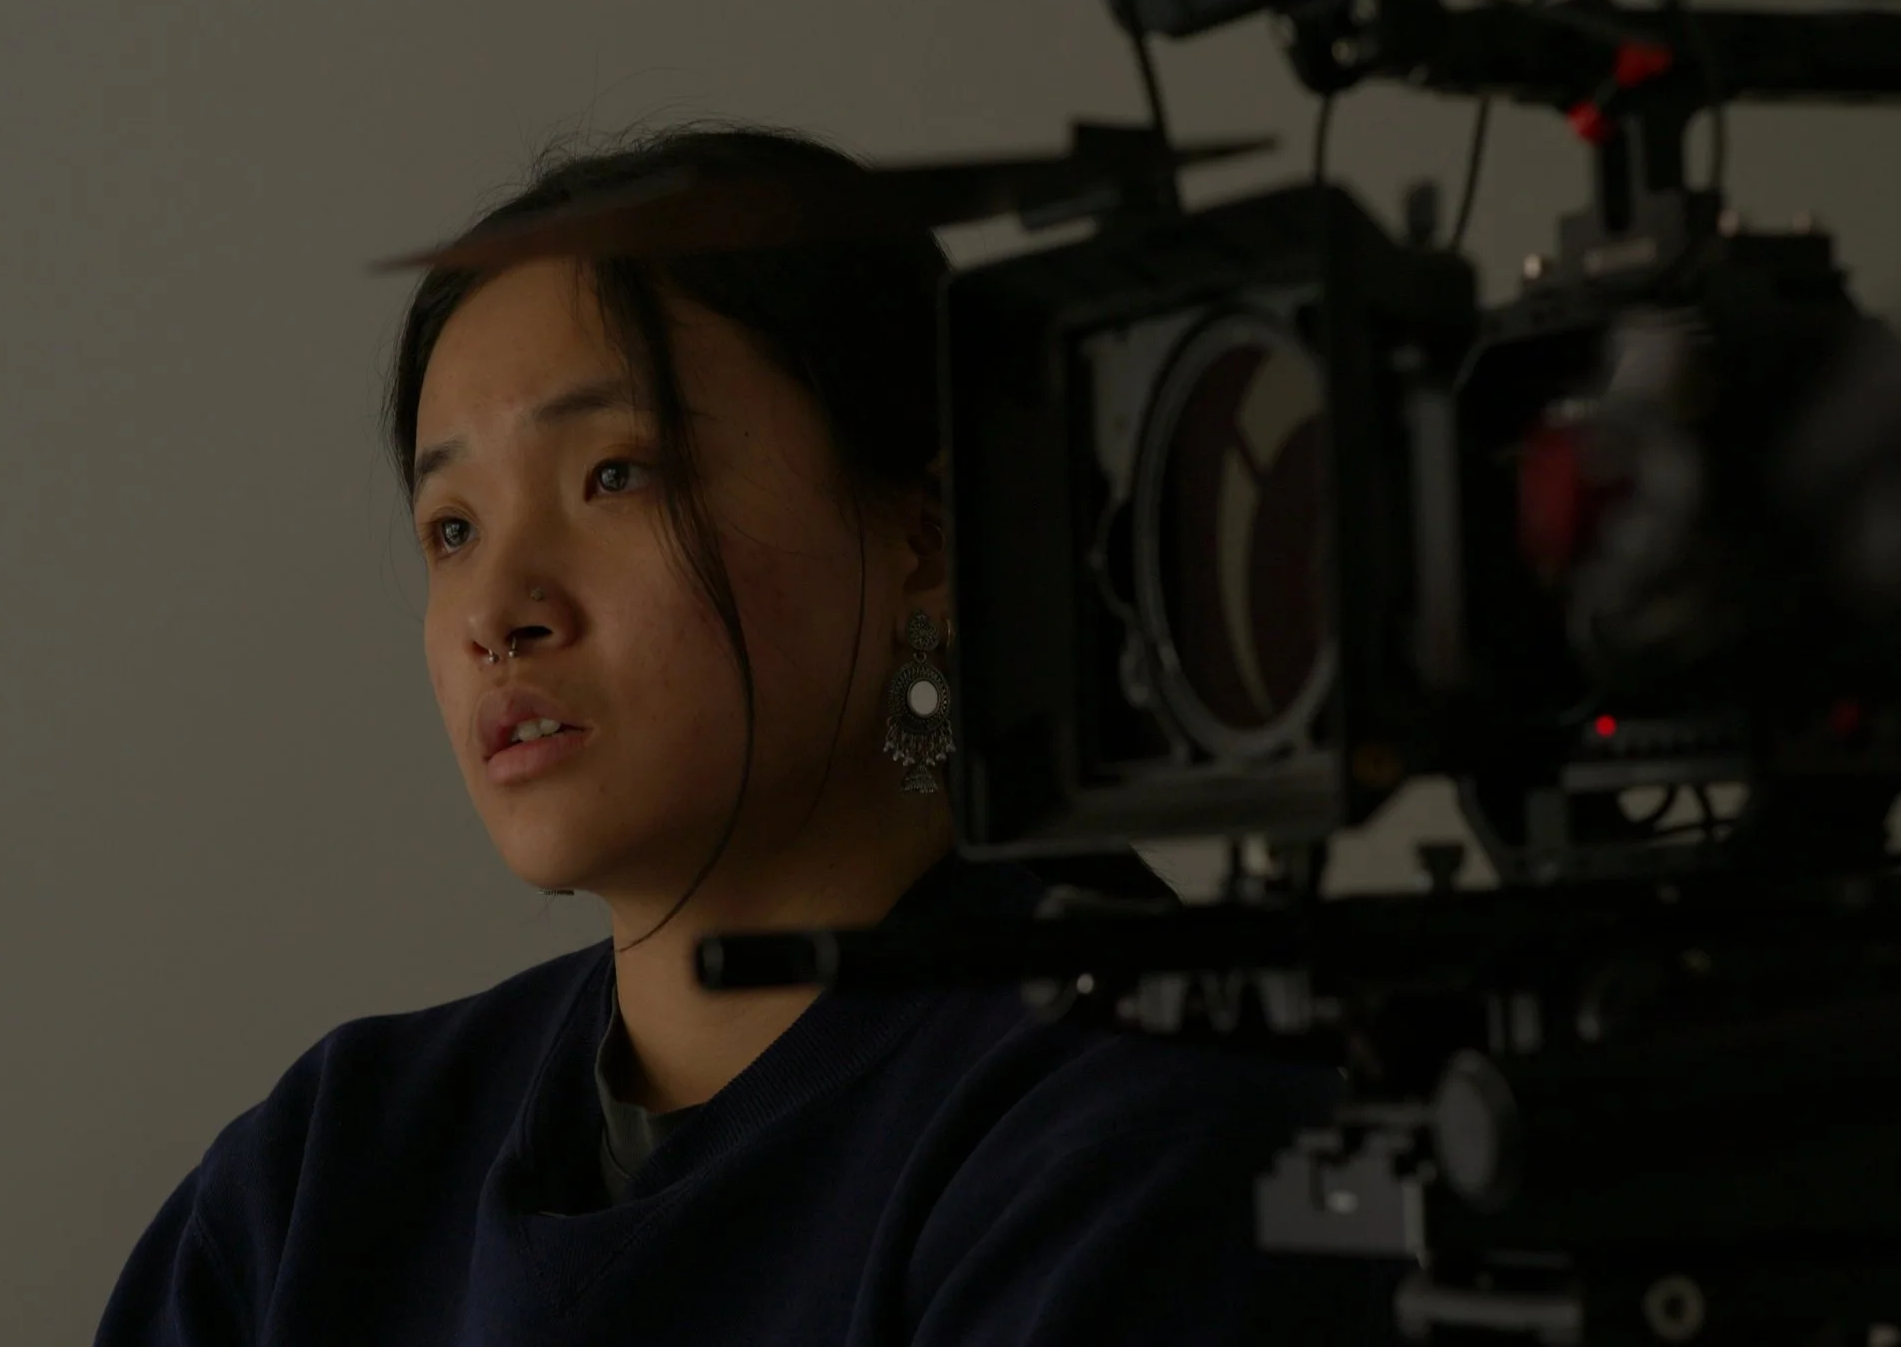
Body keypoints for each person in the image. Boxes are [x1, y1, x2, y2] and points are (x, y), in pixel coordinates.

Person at [95, 124, 1397, 1346]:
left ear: (932, 535)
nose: (498, 609)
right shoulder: (328, 1167)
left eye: (615, 474)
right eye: (453, 529)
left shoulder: (1145, 1121)